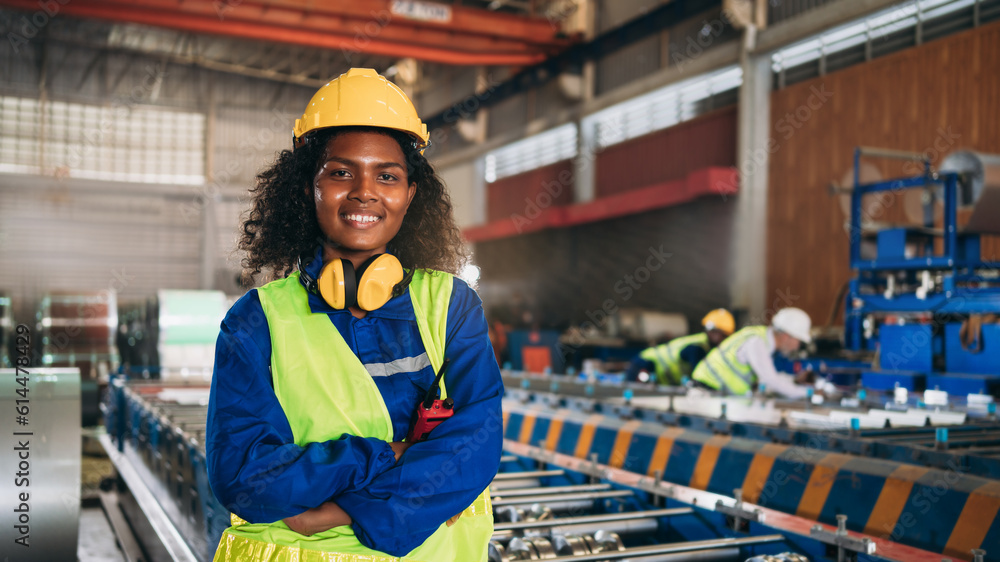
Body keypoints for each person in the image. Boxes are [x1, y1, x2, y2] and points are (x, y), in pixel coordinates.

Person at [205, 68, 502, 562]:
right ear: (308, 188)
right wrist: (391, 455)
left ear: (409, 194)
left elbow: (476, 442)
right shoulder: (255, 322)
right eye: (341, 172)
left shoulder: (451, 305)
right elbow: (245, 477)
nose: (365, 191)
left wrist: (333, 510)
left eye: (387, 176)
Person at [692, 307, 815, 398]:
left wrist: (794, 382)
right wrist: (809, 392)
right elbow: (771, 381)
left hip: (713, 393)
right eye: (798, 340)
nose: (797, 346)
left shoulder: (762, 339)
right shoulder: (757, 342)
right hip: (705, 393)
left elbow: (769, 377)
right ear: (786, 336)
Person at [625, 309, 735, 384]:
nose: (724, 340)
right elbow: (699, 376)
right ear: (713, 332)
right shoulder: (697, 347)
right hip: (644, 365)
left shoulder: (706, 347)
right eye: (723, 335)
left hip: (656, 374)